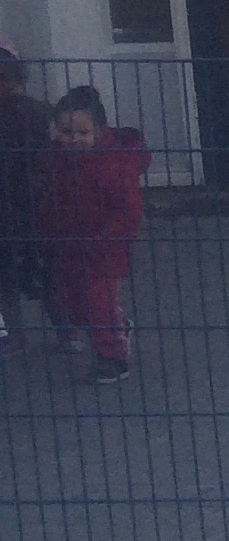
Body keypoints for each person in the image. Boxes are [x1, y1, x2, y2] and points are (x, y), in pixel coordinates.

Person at [39, 85, 148, 383]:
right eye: (65, 132)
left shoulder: (111, 164)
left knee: (97, 302)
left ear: (100, 130)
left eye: (82, 133)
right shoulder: (56, 160)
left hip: (103, 248)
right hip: (68, 244)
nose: (73, 139)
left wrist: (106, 239)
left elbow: (129, 209)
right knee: (73, 304)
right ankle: (117, 328)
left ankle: (112, 358)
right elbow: (50, 198)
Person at [0, 38, 49, 354]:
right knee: (5, 279)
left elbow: (41, 160)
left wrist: (34, 195)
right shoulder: (31, 110)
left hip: (28, 202)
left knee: (46, 273)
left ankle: (67, 329)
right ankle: (13, 334)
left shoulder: (30, 112)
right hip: (10, 205)